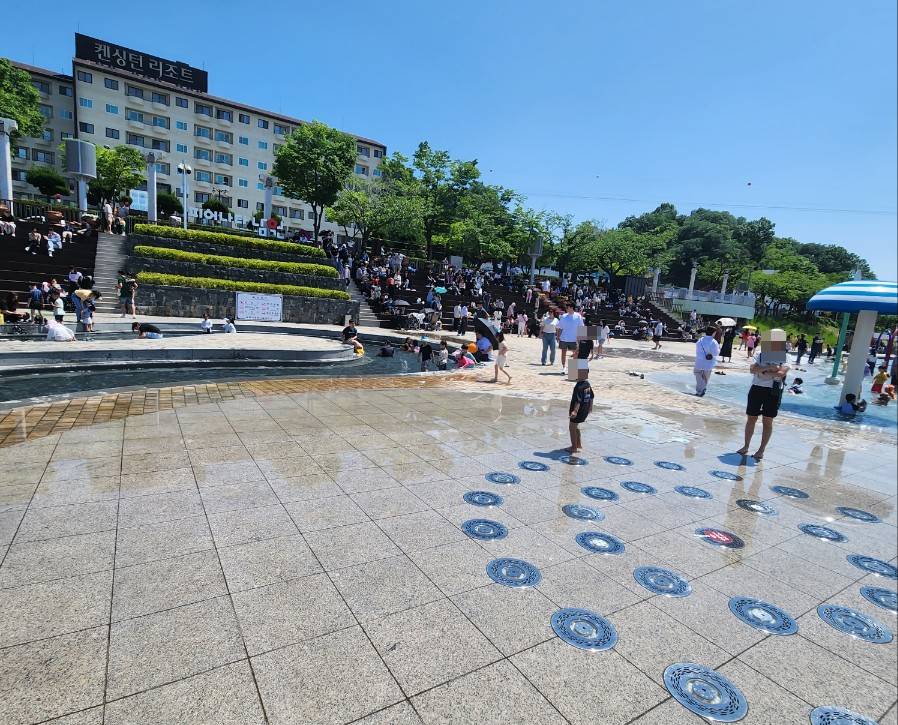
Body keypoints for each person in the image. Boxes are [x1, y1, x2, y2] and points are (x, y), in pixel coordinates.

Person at [738, 349, 790, 460]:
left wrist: (762, 371)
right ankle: (746, 446)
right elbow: (752, 369)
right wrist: (770, 368)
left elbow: (781, 373)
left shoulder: (785, 357)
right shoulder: (760, 354)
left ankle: (761, 450)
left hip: (773, 391)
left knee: (767, 420)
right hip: (756, 388)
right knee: (751, 418)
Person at [567, 370, 594, 454]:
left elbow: (578, 401)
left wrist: (575, 411)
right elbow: (591, 397)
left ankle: (574, 447)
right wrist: (590, 407)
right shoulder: (587, 384)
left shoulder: (579, 386)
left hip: (578, 410)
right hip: (585, 409)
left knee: (572, 427)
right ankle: (578, 444)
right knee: (576, 426)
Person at [693, 327, 721, 397]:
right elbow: (716, 353)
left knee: (697, 374)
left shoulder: (700, 340)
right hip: (709, 362)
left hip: (699, 361)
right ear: (713, 333)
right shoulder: (714, 342)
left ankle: (699, 391)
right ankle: (702, 389)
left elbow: (697, 350)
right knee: (705, 377)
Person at [557, 303, 583, 372]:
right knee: (563, 353)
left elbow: (581, 327)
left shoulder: (578, 316)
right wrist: (558, 336)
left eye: (567, 307)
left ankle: (573, 369)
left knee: (575, 353)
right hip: (564, 338)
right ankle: (564, 367)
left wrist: (580, 338)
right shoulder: (563, 316)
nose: (566, 309)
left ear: (571, 308)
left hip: (574, 339)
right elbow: (560, 327)